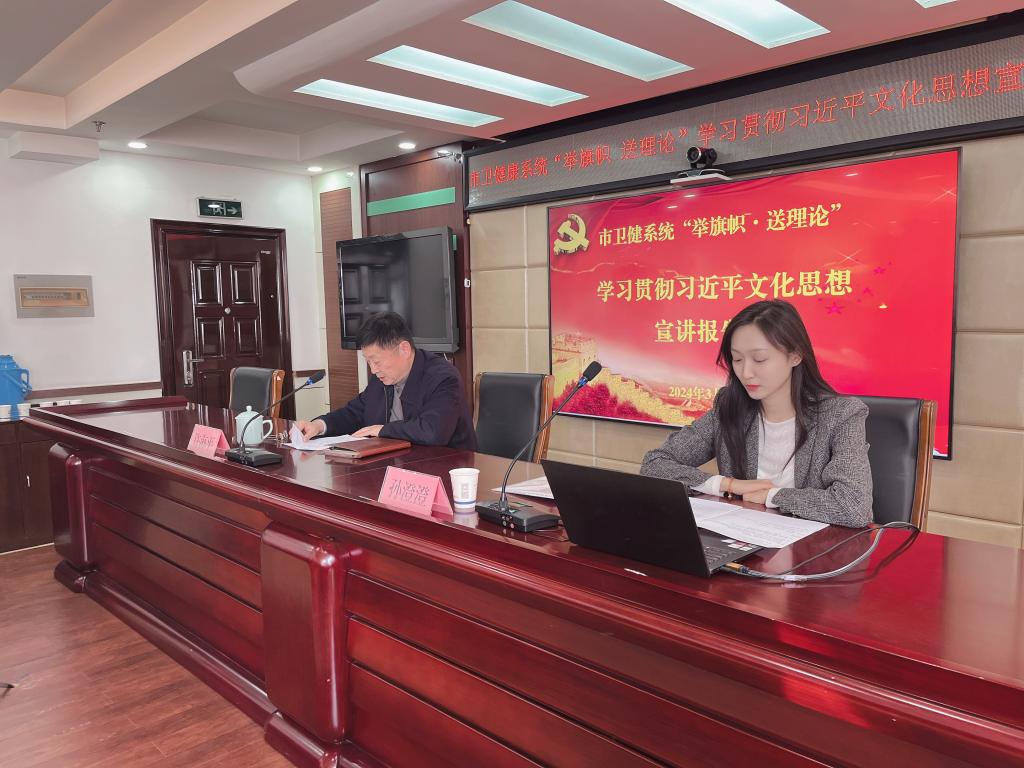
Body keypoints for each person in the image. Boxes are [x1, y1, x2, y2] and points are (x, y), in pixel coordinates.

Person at [641, 300, 872, 528]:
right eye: (737, 359)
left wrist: (773, 496)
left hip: (814, 547)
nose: (746, 373)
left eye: (759, 359)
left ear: (795, 355)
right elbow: (654, 464)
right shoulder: (729, 407)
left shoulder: (841, 415)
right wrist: (730, 485)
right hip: (745, 541)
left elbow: (853, 507)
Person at [295, 311, 477, 450]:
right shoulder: (382, 378)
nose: (373, 370)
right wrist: (319, 425)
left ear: (404, 349)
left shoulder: (443, 378)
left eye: (376, 361)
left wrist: (382, 430)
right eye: (368, 362)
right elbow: (354, 412)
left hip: (447, 471)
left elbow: (432, 431)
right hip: (396, 466)